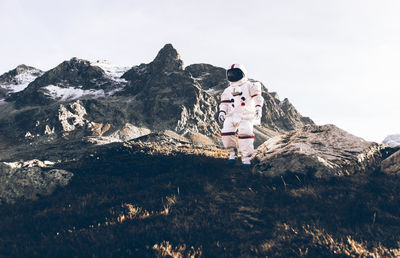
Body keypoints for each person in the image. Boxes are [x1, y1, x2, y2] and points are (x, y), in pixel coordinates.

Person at [218, 64, 264, 167]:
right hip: (231, 114)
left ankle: (246, 158)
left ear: (242, 73)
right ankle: (231, 154)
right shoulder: (228, 90)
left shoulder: (250, 85)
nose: (233, 75)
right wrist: (222, 112)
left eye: (235, 73)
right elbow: (224, 103)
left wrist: (258, 108)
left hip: (245, 114)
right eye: (231, 74)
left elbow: (258, 98)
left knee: (245, 134)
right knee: (226, 133)